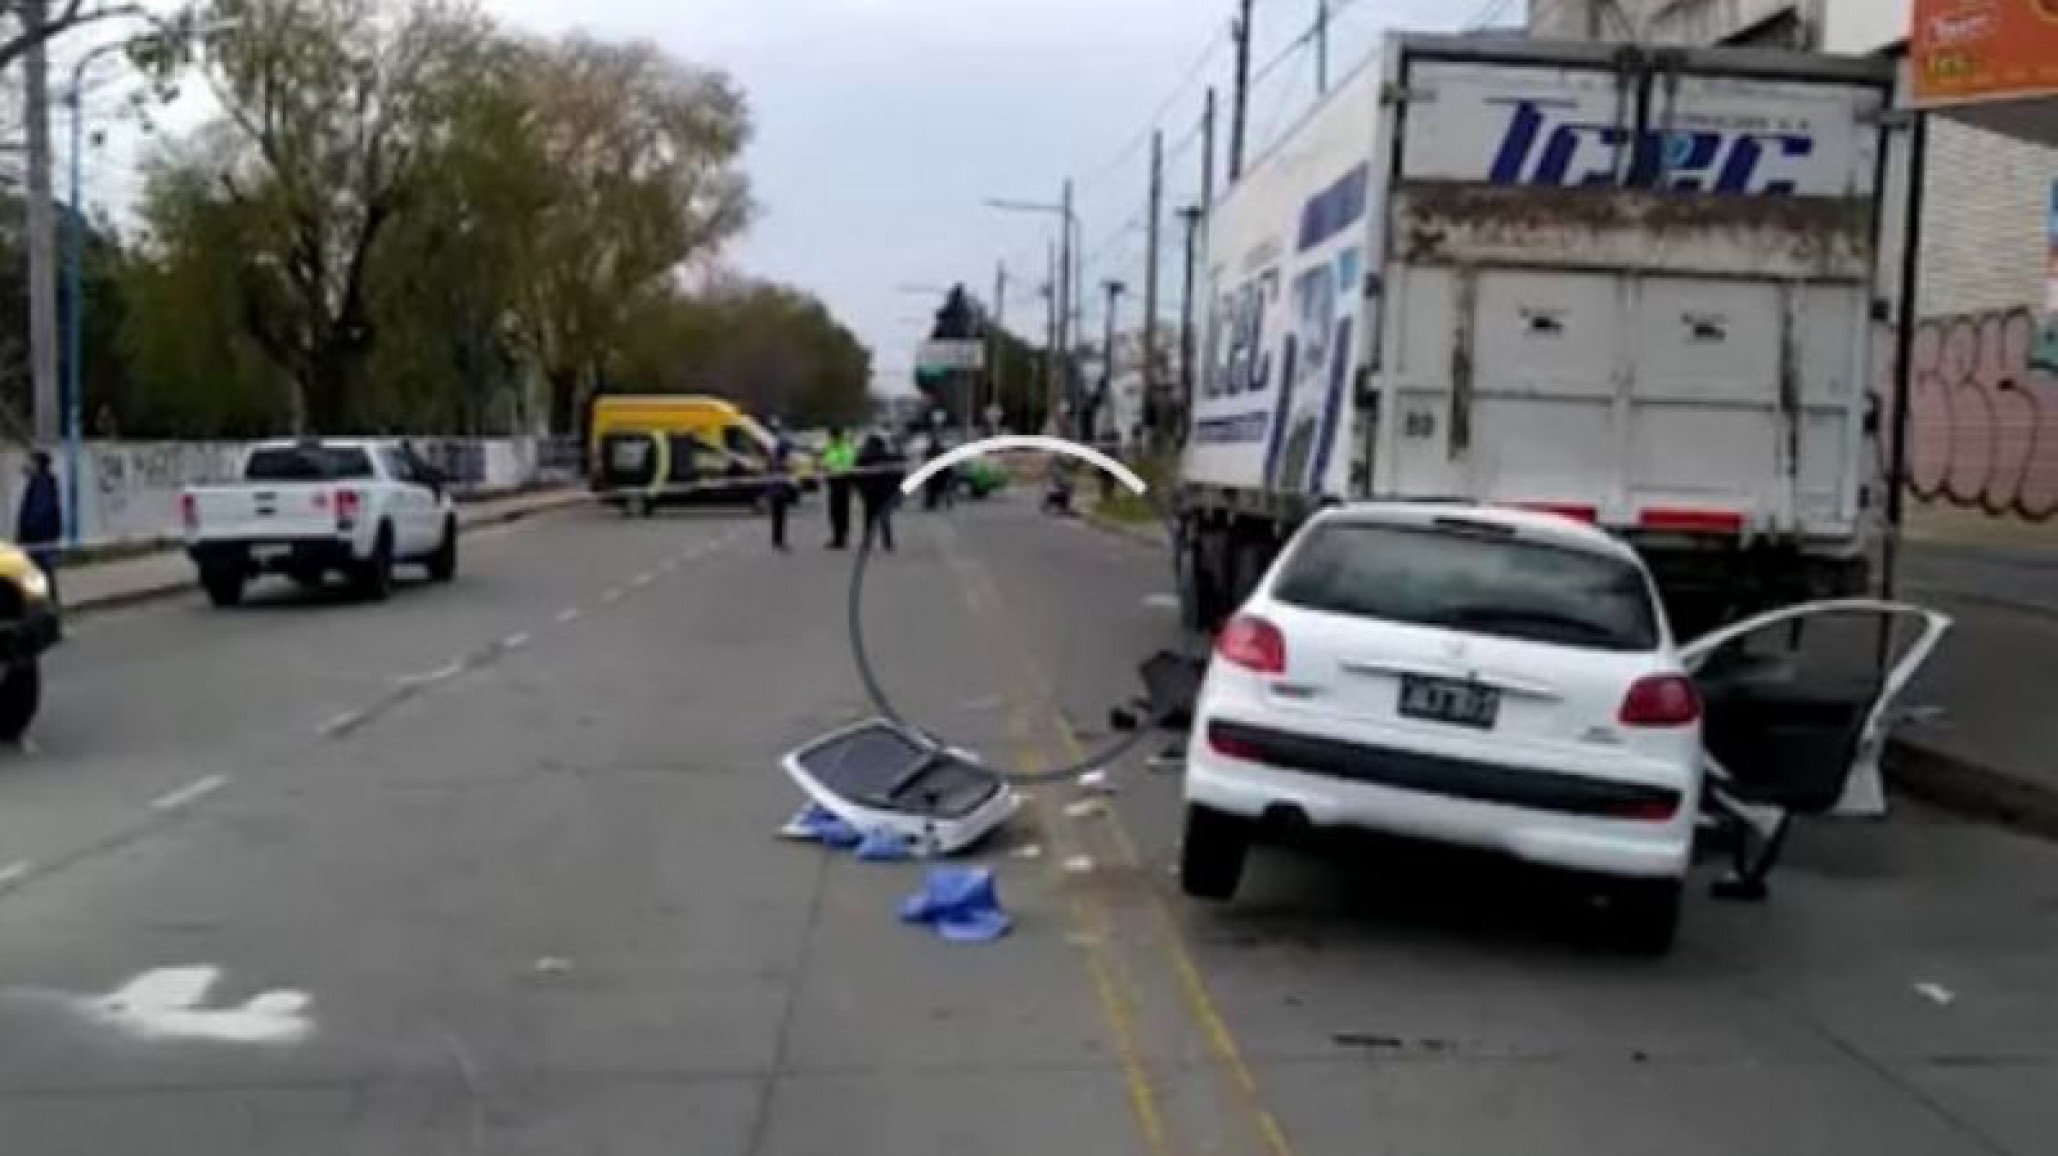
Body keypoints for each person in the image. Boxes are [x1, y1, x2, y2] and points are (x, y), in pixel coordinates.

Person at [16, 450, 62, 606]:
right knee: (42, 579)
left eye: (29, 461)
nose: (25, 465)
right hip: (40, 543)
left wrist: (28, 536)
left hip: (38, 542)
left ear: (36, 464)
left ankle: (46, 615)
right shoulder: (40, 482)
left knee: (39, 579)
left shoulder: (41, 483)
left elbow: (39, 514)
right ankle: (48, 614)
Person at [855, 432, 904, 552]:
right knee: (884, 517)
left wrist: (860, 489)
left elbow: (857, 475)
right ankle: (887, 541)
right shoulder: (888, 457)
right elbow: (898, 474)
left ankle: (867, 542)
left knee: (869, 517)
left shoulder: (862, 457)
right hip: (884, 492)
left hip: (869, 492)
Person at [821, 426, 856, 549]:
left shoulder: (844, 448)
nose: (829, 438)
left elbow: (847, 464)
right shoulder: (831, 447)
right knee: (836, 510)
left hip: (841, 481)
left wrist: (830, 468)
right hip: (835, 481)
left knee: (840, 510)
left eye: (830, 436)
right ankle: (838, 536)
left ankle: (840, 538)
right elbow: (826, 460)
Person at [764, 418, 795, 551]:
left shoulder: (775, 456)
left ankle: (778, 540)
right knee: (779, 517)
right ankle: (778, 540)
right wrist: (786, 468)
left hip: (778, 490)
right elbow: (778, 471)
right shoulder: (778, 459)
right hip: (778, 491)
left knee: (779, 517)